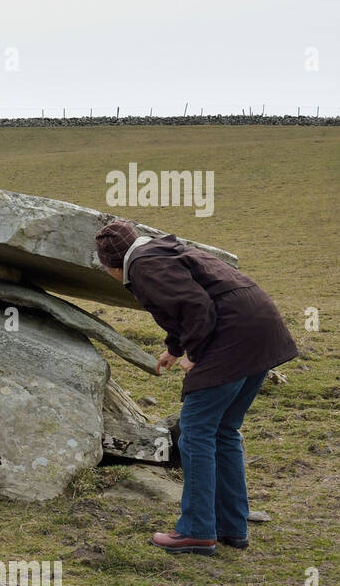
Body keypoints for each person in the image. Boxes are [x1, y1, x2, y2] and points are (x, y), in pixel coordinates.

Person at [94, 220, 298, 555]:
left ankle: (197, 530)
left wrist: (195, 351)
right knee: (224, 430)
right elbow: (187, 302)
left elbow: (195, 307)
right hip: (261, 329)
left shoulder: (144, 266)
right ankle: (231, 527)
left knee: (197, 431)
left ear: (111, 266)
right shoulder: (160, 251)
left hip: (231, 337)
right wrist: (174, 349)